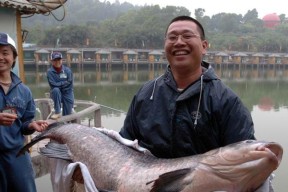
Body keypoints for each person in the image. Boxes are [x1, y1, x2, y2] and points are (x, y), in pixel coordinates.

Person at [119, 15, 256, 158]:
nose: (179, 42)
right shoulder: (146, 94)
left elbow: (245, 159)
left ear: (204, 46)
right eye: (172, 37)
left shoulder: (225, 100)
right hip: (147, 179)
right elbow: (124, 145)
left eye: (187, 36)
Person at [0, 32, 49, 192]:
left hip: (17, 155)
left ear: (13, 57)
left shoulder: (24, 91)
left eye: (5, 53)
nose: (0, 57)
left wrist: (32, 125)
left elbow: (24, 124)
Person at [47, 51, 74, 119]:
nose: (57, 62)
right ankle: (58, 112)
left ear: (62, 60)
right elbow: (52, 85)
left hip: (67, 93)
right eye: (55, 60)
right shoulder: (49, 72)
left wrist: (58, 84)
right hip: (56, 94)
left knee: (67, 116)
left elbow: (70, 83)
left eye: (59, 59)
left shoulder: (68, 71)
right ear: (52, 61)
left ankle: (66, 127)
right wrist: (63, 83)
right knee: (55, 90)